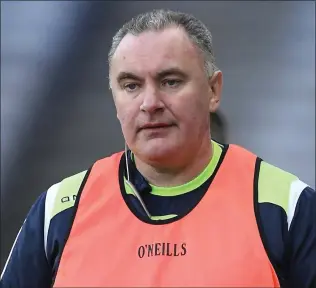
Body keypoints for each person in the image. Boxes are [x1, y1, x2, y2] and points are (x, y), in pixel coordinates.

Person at [1, 9, 315, 288]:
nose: (150, 104)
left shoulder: (287, 207)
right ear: (114, 99)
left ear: (213, 90)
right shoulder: (59, 211)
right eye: (131, 86)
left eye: (170, 81)